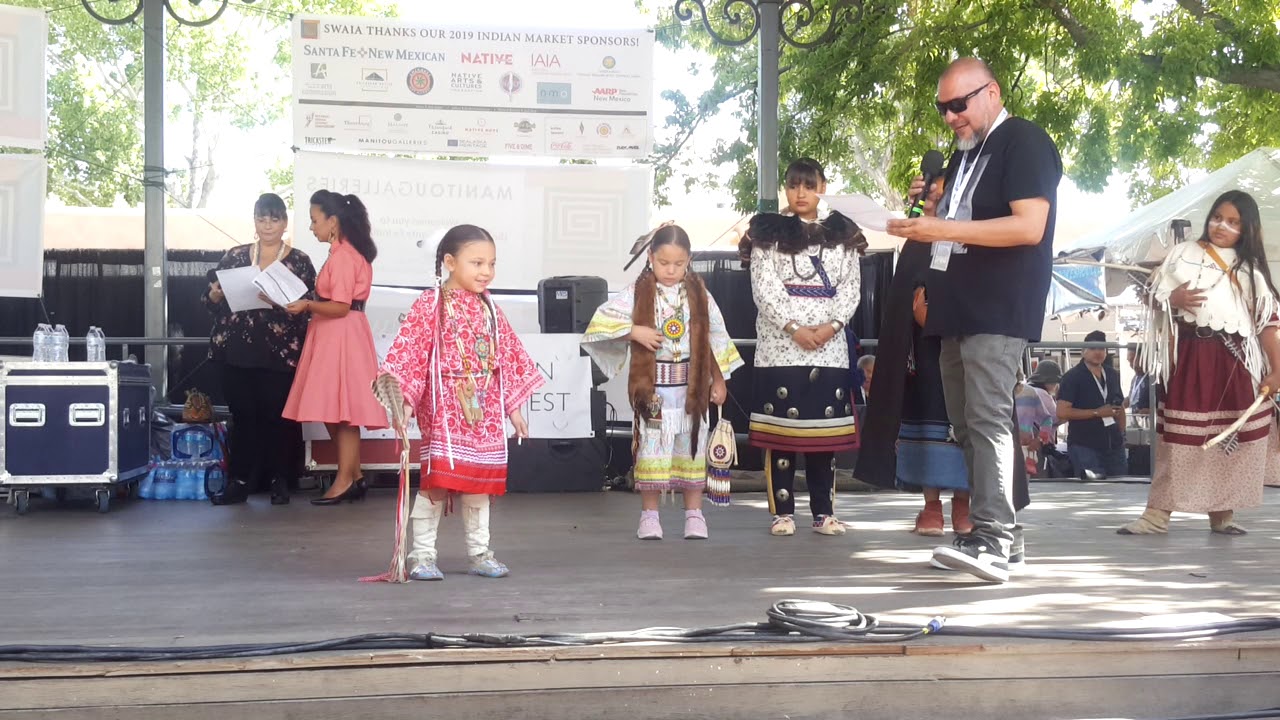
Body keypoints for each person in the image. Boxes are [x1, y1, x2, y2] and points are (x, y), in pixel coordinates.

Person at [886, 57, 1060, 583]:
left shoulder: (1024, 140)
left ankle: (992, 536)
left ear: (992, 92)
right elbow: (955, 229)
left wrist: (939, 231)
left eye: (958, 104)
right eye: (943, 108)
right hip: (954, 306)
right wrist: (929, 231)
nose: (950, 117)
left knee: (985, 419)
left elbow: (1029, 227)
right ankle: (1005, 539)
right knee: (967, 425)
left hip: (999, 305)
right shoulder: (963, 157)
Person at [379, 225, 542, 579]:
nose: (486, 271)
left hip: (484, 411)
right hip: (444, 409)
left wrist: (513, 408)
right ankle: (421, 556)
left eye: (492, 263)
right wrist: (405, 402)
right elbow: (413, 352)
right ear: (450, 262)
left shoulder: (490, 308)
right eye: (477, 262)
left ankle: (480, 553)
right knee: (436, 483)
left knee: (480, 484)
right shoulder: (431, 304)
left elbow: (507, 357)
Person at [1119, 191, 1280, 536]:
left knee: (1228, 439)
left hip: (1236, 362)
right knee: (1179, 440)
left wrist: (1277, 369)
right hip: (1193, 356)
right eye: (1218, 217)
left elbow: (1268, 323)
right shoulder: (1184, 253)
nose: (1222, 225)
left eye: (1234, 222)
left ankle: (1222, 514)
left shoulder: (1250, 270)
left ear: (1247, 229)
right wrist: (1171, 298)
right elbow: (1152, 294)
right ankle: (1156, 515)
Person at [581, 224, 743, 540]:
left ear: (689, 260)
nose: (671, 270)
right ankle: (649, 516)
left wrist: (719, 380)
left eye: (679, 264)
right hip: (652, 390)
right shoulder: (637, 292)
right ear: (651, 258)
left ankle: (694, 515)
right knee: (651, 450)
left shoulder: (699, 294)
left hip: (691, 389)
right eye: (664, 262)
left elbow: (715, 336)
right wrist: (633, 332)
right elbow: (599, 325)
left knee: (691, 447)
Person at [742, 157, 865, 537]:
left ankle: (823, 513)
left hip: (828, 347)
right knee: (782, 436)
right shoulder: (767, 234)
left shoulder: (844, 233)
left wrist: (831, 327)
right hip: (781, 346)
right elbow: (764, 287)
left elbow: (851, 287)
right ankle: (783, 513)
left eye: (808, 186)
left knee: (822, 437)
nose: (800, 193)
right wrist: (794, 328)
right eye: (794, 185)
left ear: (822, 188)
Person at [202, 193, 316, 505]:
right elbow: (209, 302)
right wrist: (213, 296)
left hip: (279, 352)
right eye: (262, 218)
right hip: (234, 349)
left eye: (274, 219)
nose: (268, 225)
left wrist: (282, 303)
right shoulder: (236, 256)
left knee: (277, 417)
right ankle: (238, 480)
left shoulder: (299, 260)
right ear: (254, 221)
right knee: (243, 416)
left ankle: (281, 480)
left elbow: (310, 307)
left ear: (284, 223)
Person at [855, 242, 971, 537]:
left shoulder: (942, 235)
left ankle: (957, 507)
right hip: (930, 352)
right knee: (935, 420)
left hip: (959, 346)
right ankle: (940, 509)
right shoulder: (923, 240)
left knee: (967, 420)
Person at [283, 190, 388, 505]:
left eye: (315, 220)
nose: (312, 227)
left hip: (340, 333)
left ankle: (345, 480)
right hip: (339, 333)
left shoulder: (343, 256)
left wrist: (307, 305)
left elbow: (340, 306)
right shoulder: (345, 253)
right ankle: (353, 476)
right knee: (338, 409)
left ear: (333, 221)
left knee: (342, 413)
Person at [1057, 331, 1127, 479]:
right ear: (1083, 352)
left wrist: (1122, 434)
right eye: (1093, 348)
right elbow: (1062, 412)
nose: (1098, 352)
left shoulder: (1112, 374)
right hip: (1085, 445)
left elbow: (1120, 406)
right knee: (1092, 488)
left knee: (1121, 487)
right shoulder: (1072, 377)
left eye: (1102, 348)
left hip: (1114, 445)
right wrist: (1096, 413)